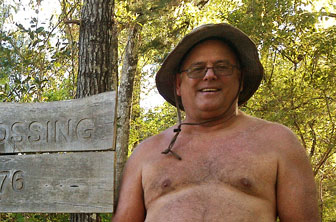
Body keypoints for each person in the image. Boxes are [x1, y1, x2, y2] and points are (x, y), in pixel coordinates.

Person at [113, 23, 319, 221]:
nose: (210, 75)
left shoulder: (279, 142)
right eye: (197, 69)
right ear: (178, 84)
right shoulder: (146, 152)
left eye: (223, 67)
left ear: (241, 79)